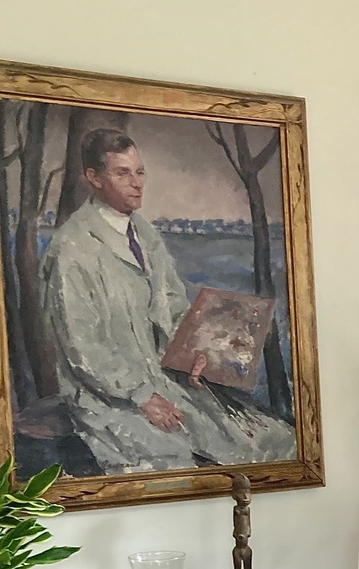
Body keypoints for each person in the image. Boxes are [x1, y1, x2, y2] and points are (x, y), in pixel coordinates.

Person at [40, 127, 295, 474]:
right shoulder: (72, 249)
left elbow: (173, 308)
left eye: (140, 172)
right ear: (93, 178)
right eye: (123, 173)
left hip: (165, 379)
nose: (137, 183)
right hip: (108, 395)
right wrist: (141, 395)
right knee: (171, 459)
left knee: (274, 439)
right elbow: (82, 348)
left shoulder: (145, 234)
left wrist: (195, 355)